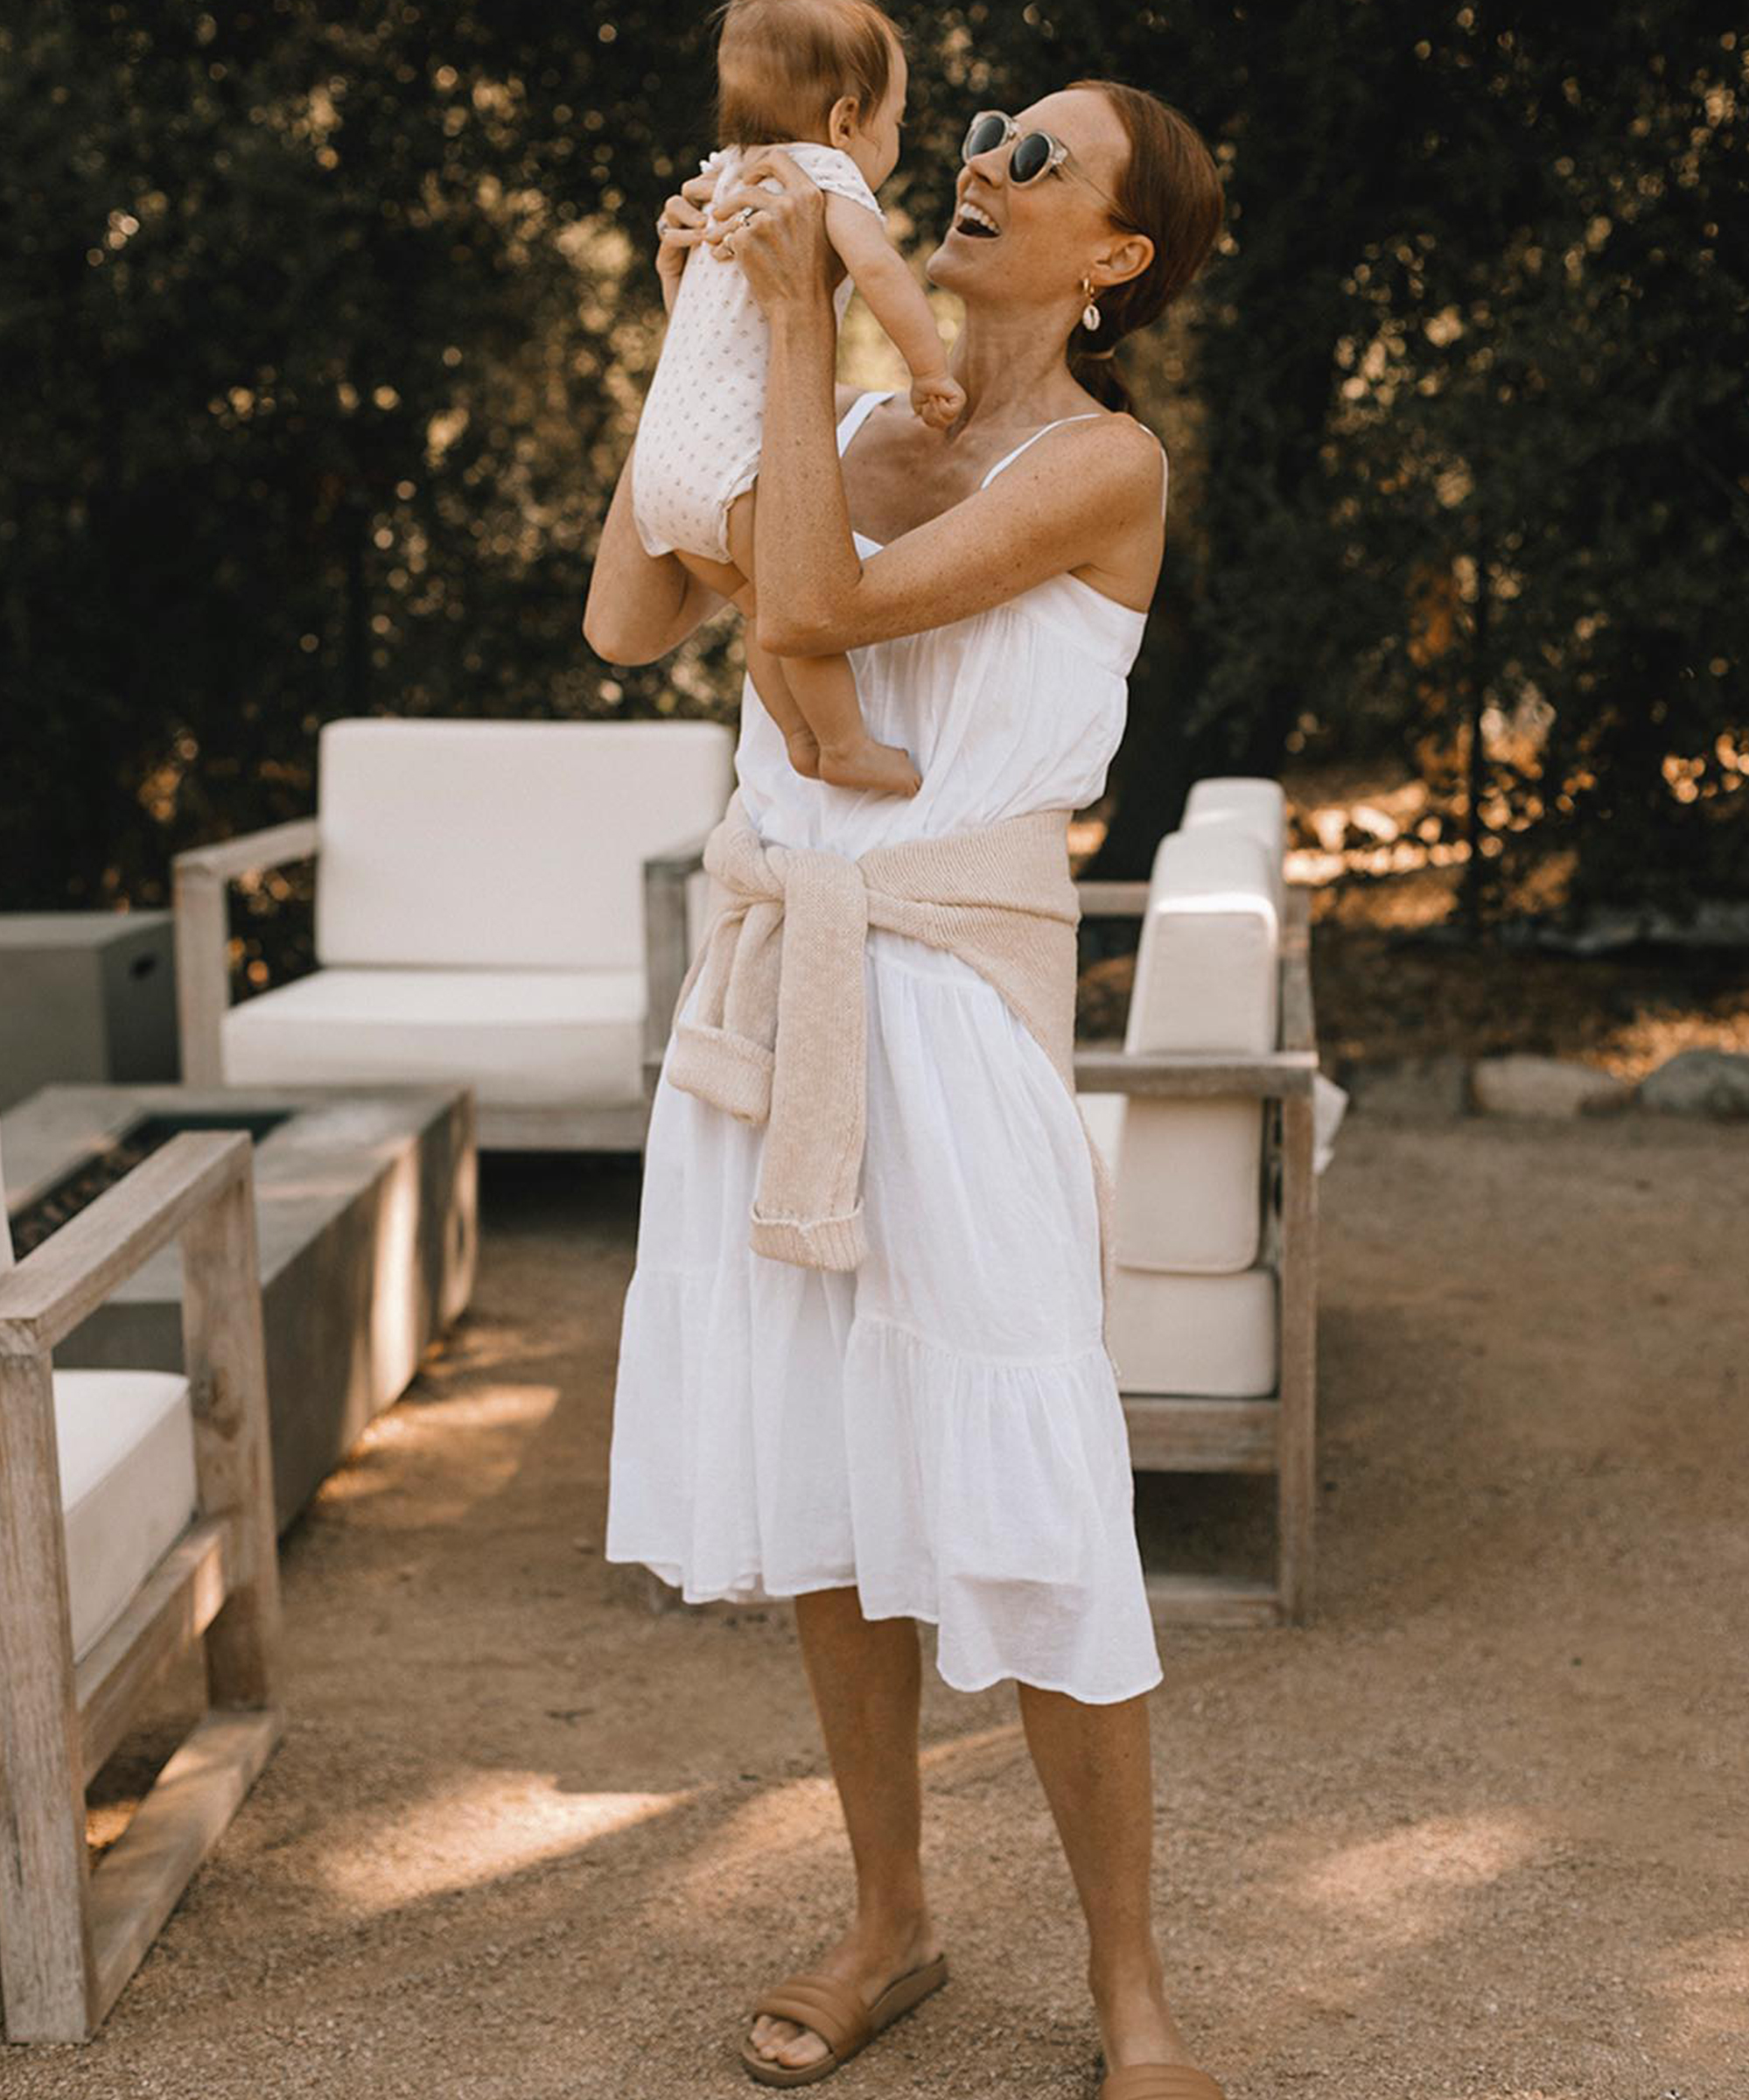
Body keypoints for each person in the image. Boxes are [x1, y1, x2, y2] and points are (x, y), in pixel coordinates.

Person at [584, 75, 1228, 2100]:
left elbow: (816, 611)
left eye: (1037, 154)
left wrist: (788, 324)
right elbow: (627, 612)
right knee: (831, 1476)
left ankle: (1130, 1988)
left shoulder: (1102, 461)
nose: (981, 159)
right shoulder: (852, 425)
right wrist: (701, 315)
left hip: (941, 1001)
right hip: (772, 994)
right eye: (976, 123)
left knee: (1028, 1486)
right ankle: (890, 1915)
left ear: (1115, 254)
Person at [631, 0, 964, 798]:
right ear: (847, 119)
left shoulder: (722, 175)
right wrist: (929, 369)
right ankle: (843, 742)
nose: (899, 140)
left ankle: (800, 741)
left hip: (663, 469)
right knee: (794, 608)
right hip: (732, 468)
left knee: (761, 611)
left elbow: (709, 324)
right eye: (899, 121)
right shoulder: (820, 173)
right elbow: (880, 271)